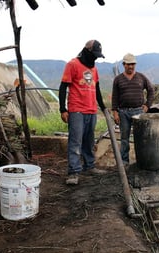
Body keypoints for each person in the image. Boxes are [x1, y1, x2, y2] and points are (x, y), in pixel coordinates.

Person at [59, 39, 107, 185]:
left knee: (89, 141)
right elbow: (63, 87)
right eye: (94, 55)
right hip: (77, 110)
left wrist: (103, 107)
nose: (95, 58)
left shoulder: (94, 69)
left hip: (91, 110)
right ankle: (73, 172)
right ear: (87, 51)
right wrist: (63, 109)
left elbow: (97, 89)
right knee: (75, 142)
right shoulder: (72, 65)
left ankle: (90, 166)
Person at [111, 53, 155, 167]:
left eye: (133, 64)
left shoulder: (141, 77)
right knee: (124, 138)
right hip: (123, 112)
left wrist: (147, 105)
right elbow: (115, 97)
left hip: (138, 112)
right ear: (124, 64)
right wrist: (115, 112)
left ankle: (141, 161)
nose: (130, 67)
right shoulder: (118, 79)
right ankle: (124, 162)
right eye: (128, 64)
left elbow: (151, 90)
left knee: (140, 137)